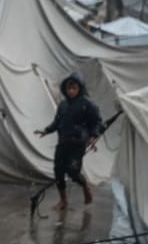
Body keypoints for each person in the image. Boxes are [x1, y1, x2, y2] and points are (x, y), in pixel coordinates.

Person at [35, 71, 103, 211]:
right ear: (65, 89)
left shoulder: (87, 104)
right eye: (68, 88)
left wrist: (92, 136)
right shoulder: (63, 105)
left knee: (72, 171)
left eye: (74, 88)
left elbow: (97, 122)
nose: (71, 91)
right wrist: (47, 130)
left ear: (80, 88)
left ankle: (85, 186)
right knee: (58, 171)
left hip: (78, 143)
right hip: (63, 142)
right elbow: (57, 122)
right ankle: (63, 201)